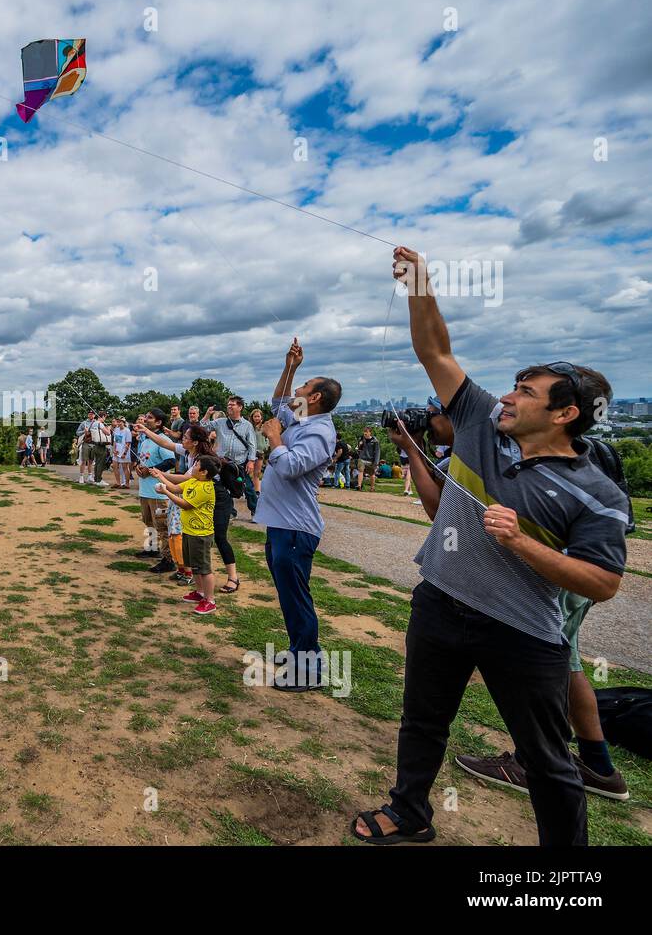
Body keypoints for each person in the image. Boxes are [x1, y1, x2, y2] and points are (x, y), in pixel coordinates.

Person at [351, 247, 627, 847]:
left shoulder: (597, 494)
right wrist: (421, 284)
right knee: (423, 720)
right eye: (512, 386)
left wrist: (524, 544)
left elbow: (603, 584)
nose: (507, 396)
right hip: (440, 602)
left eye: (525, 392)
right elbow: (435, 351)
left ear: (565, 414)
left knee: (548, 761)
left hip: (524, 632)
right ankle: (409, 811)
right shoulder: (477, 421)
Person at [253, 338, 340, 691]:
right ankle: (297, 651)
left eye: (303, 387)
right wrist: (291, 368)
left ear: (315, 397)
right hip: (280, 525)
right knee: (289, 597)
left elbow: (290, 466)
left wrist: (275, 438)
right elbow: (278, 403)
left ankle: (309, 670)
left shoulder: (320, 432)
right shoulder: (305, 420)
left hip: (295, 529)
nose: (297, 391)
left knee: (297, 599)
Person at [150, 455, 222, 614]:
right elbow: (175, 488)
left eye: (196, 465)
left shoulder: (205, 489)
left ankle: (210, 601)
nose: (193, 466)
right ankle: (200, 592)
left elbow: (185, 504)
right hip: (188, 531)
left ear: (203, 472)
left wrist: (165, 492)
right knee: (194, 565)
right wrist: (160, 476)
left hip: (201, 534)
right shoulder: (193, 481)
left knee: (204, 568)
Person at [132, 409, 177, 574]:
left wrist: (151, 469)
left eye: (150, 418)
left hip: (159, 492)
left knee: (162, 526)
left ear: (158, 422)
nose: (146, 419)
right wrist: (138, 467)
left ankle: (168, 559)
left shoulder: (163, 440)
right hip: (145, 490)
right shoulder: (145, 439)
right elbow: (143, 458)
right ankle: (151, 548)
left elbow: (171, 461)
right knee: (149, 522)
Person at [75, 410, 97, 484]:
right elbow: (77, 432)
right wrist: (84, 431)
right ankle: (81, 476)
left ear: (94, 415)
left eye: (92, 414)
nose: (91, 415)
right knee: (84, 460)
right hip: (86, 443)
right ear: (88, 415)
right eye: (90, 414)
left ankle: (90, 476)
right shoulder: (84, 423)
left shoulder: (97, 423)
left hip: (94, 443)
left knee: (91, 461)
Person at [112, 417, 132, 488]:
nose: (119, 423)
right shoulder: (116, 430)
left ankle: (127, 484)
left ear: (124, 422)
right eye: (118, 421)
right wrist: (114, 450)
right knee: (115, 466)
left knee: (125, 467)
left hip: (124, 451)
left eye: (120, 421)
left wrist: (124, 453)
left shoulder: (127, 431)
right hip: (116, 452)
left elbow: (128, 443)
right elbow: (115, 441)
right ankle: (118, 483)